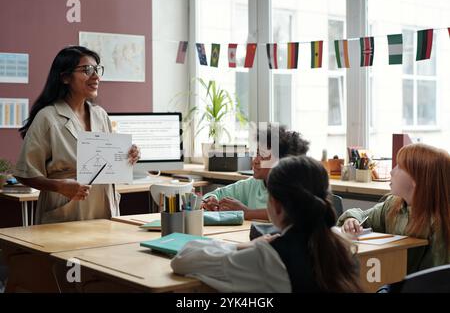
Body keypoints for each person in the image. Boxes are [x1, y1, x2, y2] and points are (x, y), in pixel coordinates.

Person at [171, 155, 362, 292]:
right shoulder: (342, 246)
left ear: (276, 206)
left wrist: (243, 246)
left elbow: (183, 260)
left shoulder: (269, 257)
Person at [15, 46, 140, 224]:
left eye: (97, 69)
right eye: (87, 70)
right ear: (65, 77)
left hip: (103, 207)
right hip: (65, 208)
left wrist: (128, 155)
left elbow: (108, 162)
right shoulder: (47, 117)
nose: (96, 76)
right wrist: (59, 186)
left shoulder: (100, 114)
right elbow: (24, 173)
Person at [338, 143, 450, 273]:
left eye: (400, 167)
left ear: (417, 178)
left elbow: (433, 279)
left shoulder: (439, 223)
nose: (392, 171)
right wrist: (351, 220)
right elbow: (363, 216)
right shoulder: (393, 204)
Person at [201, 124, 310, 220]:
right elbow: (216, 194)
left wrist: (248, 213)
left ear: (282, 162)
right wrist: (211, 200)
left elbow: (292, 213)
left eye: (263, 156)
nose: (255, 160)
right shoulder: (253, 184)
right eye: (257, 153)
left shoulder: (295, 187)